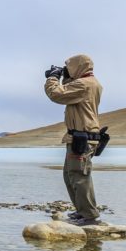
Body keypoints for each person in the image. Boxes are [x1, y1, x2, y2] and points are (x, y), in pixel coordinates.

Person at [44, 54, 104, 225]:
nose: (67, 69)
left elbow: (56, 94)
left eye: (69, 67)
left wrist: (54, 77)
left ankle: (90, 216)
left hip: (82, 137)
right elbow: (69, 91)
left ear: (78, 66)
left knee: (79, 176)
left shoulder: (84, 84)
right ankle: (82, 211)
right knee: (70, 175)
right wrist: (66, 77)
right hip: (79, 136)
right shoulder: (90, 83)